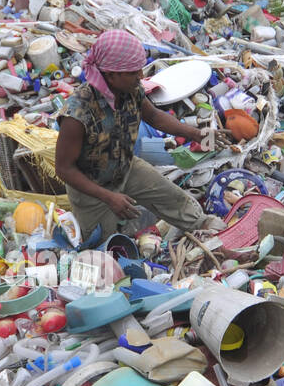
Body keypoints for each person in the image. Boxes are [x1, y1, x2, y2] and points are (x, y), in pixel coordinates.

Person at [55, 29, 220, 241]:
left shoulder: (131, 89)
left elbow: (153, 116)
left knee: (174, 199)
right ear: (111, 75)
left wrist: (195, 133)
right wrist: (109, 197)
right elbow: (64, 169)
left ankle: (203, 225)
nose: (141, 76)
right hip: (92, 190)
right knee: (103, 242)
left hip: (125, 167)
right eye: (134, 72)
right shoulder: (76, 114)